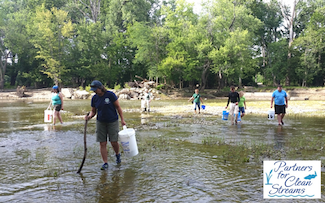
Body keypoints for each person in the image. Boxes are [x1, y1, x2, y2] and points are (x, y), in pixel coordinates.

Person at [85, 80, 126, 170]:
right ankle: (105, 163)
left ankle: (117, 154)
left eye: (96, 89)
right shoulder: (94, 98)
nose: (94, 91)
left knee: (113, 141)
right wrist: (89, 117)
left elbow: (118, 107)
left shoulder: (110, 95)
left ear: (101, 88)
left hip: (112, 121)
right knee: (102, 143)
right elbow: (93, 111)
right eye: (93, 90)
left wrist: (122, 119)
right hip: (101, 122)